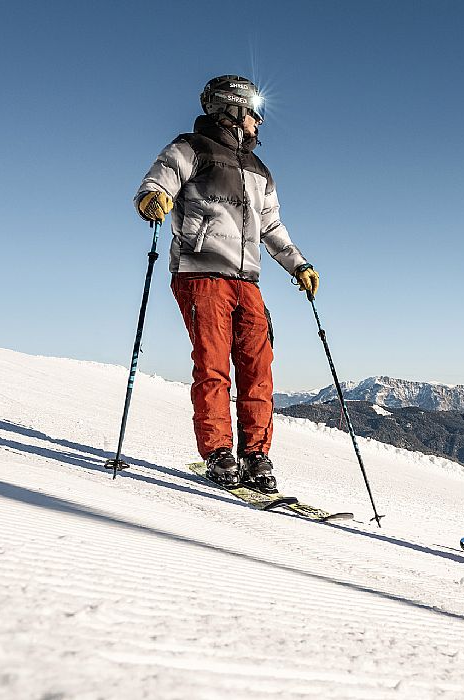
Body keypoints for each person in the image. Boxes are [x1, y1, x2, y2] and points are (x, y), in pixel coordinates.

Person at [134, 75, 319, 492]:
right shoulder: (190, 148)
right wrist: (154, 198)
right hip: (200, 273)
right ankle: (219, 454)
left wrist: (299, 265)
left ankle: (256, 456)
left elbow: (272, 226)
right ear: (231, 107)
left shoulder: (259, 170)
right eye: (254, 108)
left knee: (259, 368)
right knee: (214, 365)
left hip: (246, 279)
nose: (259, 118)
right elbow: (158, 181)